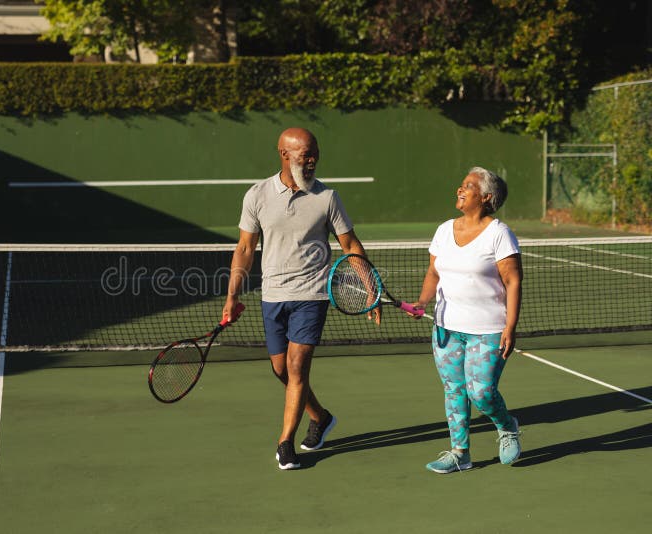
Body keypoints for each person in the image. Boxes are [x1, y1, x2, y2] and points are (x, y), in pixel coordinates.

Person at [222, 127, 380, 470]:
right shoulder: (257, 195)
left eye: (314, 154)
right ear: (284, 155)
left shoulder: (327, 198)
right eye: (304, 155)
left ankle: (285, 442)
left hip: (312, 293)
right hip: (272, 295)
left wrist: (370, 286)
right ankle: (320, 417)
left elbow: (350, 245)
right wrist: (232, 295)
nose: (311, 161)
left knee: (296, 367)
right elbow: (246, 248)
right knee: (281, 369)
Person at [409, 166, 523, 474]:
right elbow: (434, 273)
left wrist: (510, 327)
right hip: (446, 327)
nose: (460, 190)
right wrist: (422, 302)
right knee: (454, 389)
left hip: (488, 330)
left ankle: (507, 426)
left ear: (486, 197)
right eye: (461, 185)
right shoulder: (445, 230)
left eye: (468, 186)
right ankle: (461, 452)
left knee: (481, 392)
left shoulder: (499, 234)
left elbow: (513, 281)